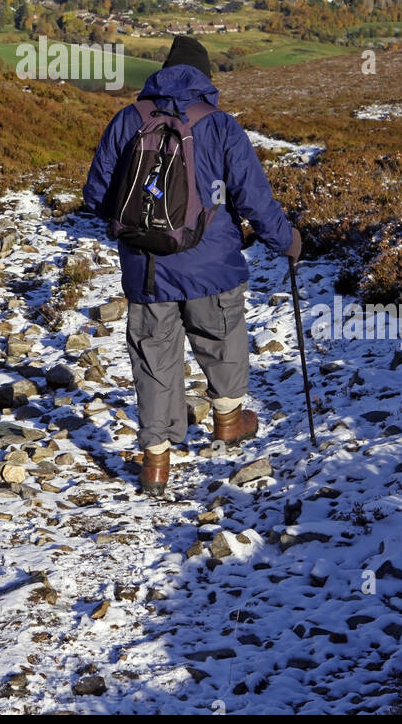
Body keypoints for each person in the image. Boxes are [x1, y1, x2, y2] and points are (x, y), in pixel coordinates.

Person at [83, 35, 301, 496]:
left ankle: (156, 462)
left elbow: (96, 195)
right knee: (221, 337)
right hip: (212, 265)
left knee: (154, 357)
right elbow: (254, 199)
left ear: (163, 71)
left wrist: (139, 226)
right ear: (204, 78)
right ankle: (227, 419)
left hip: (146, 268)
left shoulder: (128, 119)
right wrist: (287, 241)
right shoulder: (221, 125)